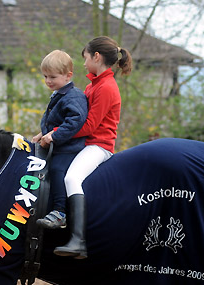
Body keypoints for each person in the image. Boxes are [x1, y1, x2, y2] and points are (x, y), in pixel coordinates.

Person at [52, 36, 132, 259]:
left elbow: (88, 126)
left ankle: (78, 240)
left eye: (86, 58)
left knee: (72, 179)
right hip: (85, 143)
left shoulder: (106, 87)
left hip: (99, 145)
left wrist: (57, 134)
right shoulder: (93, 85)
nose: (84, 64)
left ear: (96, 57)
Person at [32, 50, 88, 229]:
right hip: (56, 145)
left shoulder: (74, 96)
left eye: (52, 77)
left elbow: (74, 122)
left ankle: (60, 211)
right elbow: (55, 120)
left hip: (69, 148)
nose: (48, 81)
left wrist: (53, 136)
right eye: (45, 76)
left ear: (68, 75)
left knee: (57, 170)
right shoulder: (58, 93)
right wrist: (43, 133)